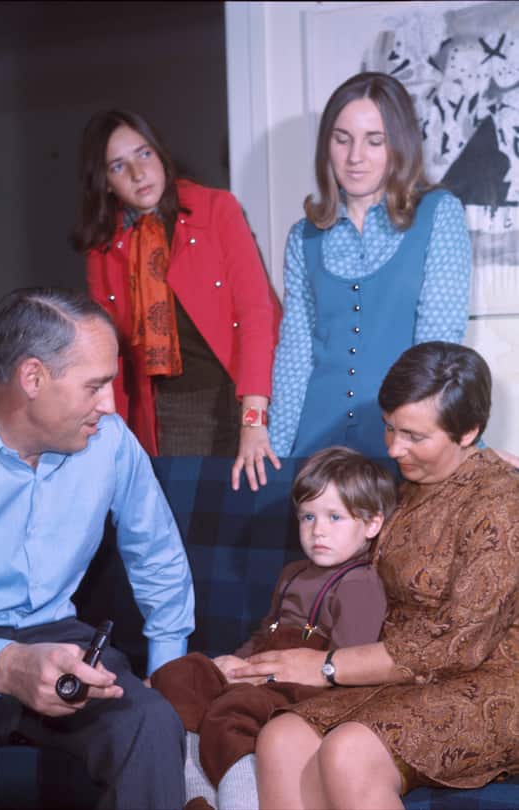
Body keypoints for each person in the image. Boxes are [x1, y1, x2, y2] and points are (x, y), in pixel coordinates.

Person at [229, 341, 519, 810]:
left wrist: (327, 667)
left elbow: (457, 646)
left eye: (414, 436)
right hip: (403, 678)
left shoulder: (502, 502)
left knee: (350, 752)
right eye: (389, 427)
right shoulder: (405, 492)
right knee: (282, 737)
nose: (392, 447)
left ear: (468, 432)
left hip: (493, 682)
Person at [0, 287, 195, 809]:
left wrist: (166, 669)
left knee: (150, 723)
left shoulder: (111, 442)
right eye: (95, 387)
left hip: (59, 634)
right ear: (33, 378)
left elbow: (158, 556)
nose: (109, 405)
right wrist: (3, 665)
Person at [234, 71, 472, 489]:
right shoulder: (304, 236)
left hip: (402, 444)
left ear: (399, 145)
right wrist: (279, 452)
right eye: (342, 139)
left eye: (374, 140)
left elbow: (438, 351)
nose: (355, 156)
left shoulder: (438, 214)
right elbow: (295, 354)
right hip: (318, 443)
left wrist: (418, 442)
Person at [152, 446, 396, 810]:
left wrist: (258, 680)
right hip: (265, 671)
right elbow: (266, 632)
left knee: (234, 709)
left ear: (371, 524)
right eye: (308, 518)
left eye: (334, 518)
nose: (318, 531)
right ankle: (198, 793)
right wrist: (236, 662)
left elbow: (349, 664)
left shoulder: (359, 583)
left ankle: (239, 802)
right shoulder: (292, 573)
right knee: (179, 679)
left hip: (308, 688)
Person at [72, 108, 282, 478]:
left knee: (262, 519)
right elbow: (107, 358)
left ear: (160, 153)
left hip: (249, 392)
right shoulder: (103, 249)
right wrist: (109, 444)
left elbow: (256, 312)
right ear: (105, 182)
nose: (138, 173)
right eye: (118, 166)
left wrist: (253, 419)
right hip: (173, 409)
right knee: (189, 526)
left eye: (144, 154)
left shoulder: (216, 209)